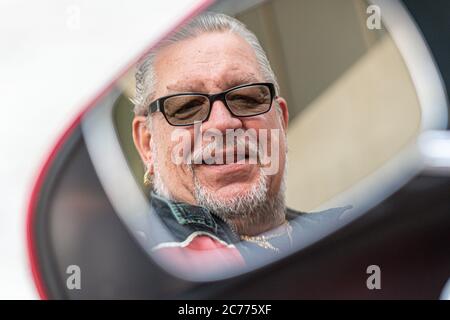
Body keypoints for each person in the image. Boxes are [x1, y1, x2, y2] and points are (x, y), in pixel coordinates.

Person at [132, 12, 350, 270]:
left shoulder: (354, 233)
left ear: (281, 121)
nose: (223, 123)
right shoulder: (138, 276)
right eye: (187, 106)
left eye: (246, 98)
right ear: (147, 144)